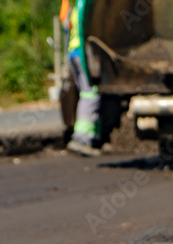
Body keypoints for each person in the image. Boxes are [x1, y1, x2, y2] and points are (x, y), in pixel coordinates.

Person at [61, 0, 102, 156]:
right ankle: (83, 138)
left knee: (86, 92)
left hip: (74, 50)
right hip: (81, 52)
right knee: (91, 93)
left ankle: (94, 136)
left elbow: (67, 25)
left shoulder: (76, 5)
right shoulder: (86, 4)